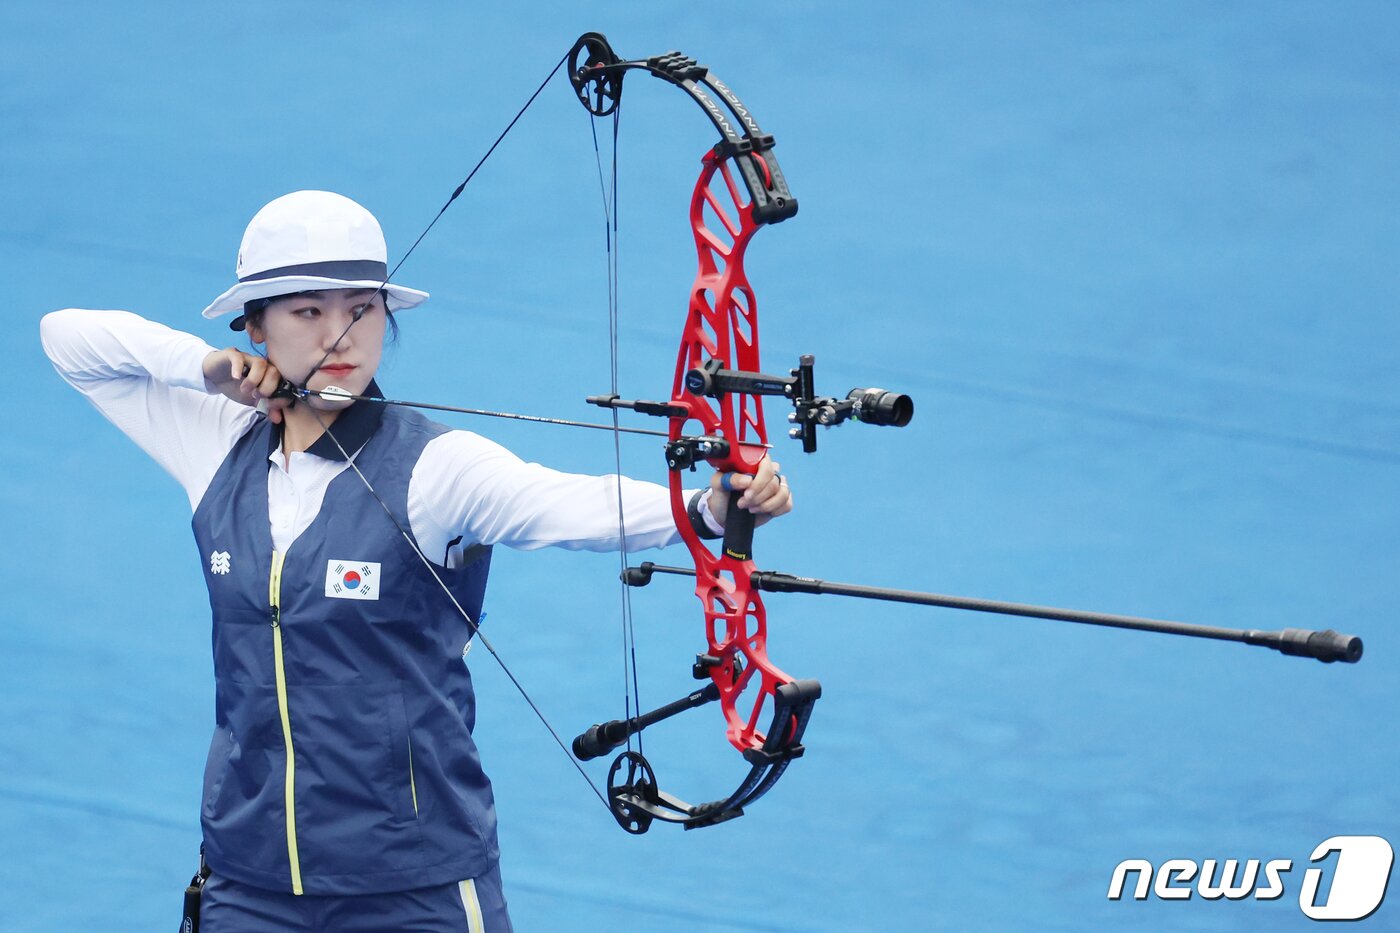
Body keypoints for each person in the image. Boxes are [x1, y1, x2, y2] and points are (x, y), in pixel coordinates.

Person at [40, 190, 791, 932]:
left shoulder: (437, 468)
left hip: (413, 889)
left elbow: (564, 502)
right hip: (250, 878)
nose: (341, 335)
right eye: (307, 311)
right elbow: (67, 338)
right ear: (255, 325)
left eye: (361, 308)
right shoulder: (216, 442)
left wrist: (708, 508)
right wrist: (202, 366)